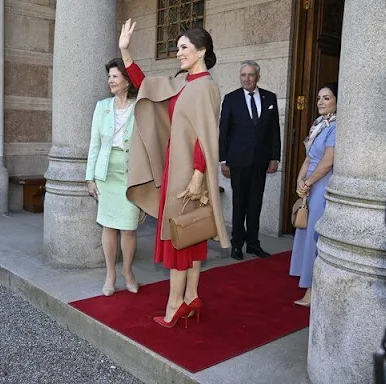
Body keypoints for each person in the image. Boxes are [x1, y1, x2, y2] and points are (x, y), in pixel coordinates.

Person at [119, 19, 230, 328]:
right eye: (178, 48)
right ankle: (192, 296)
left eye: (184, 48)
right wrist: (126, 53)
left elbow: (205, 136)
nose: (178, 53)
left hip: (189, 174)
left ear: (201, 51)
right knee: (189, 234)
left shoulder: (206, 86)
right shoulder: (184, 83)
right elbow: (147, 88)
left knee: (179, 237)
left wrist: (197, 175)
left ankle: (174, 305)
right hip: (178, 168)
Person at [85, 58, 140, 297]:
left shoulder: (139, 106)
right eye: (109, 77)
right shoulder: (102, 107)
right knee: (108, 226)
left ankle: (128, 272)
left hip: (130, 175)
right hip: (106, 174)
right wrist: (90, 178)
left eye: (115, 76)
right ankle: (110, 274)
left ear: (127, 81)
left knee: (128, 228)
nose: (110, 80)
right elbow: (94, 144)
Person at [218, 61, 281, 261]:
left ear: (257, 77)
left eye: (250, 75)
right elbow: (224, 132)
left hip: (260, 161)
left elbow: (274, 130)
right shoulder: (231, 98)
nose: (246, 78)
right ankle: (237, 245)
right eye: (243, 75)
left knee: (255, 204)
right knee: (239, 204)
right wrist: (223, 161)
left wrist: (274, 157)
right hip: (237, 161)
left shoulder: (269, 98)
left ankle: (253, 244)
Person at [289, 83, 338, 307]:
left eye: (326, 98)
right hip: (310, 184)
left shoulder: (337, 127)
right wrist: (300, 181)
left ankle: (312, 292)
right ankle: (306, 284)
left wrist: (308, 182)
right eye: (319, 97)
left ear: (338, 101)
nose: (320, 102)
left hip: (322, 184)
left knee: (313, 237)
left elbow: (327, 163)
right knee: (304, 231)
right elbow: (309, 158)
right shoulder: (318, 124)